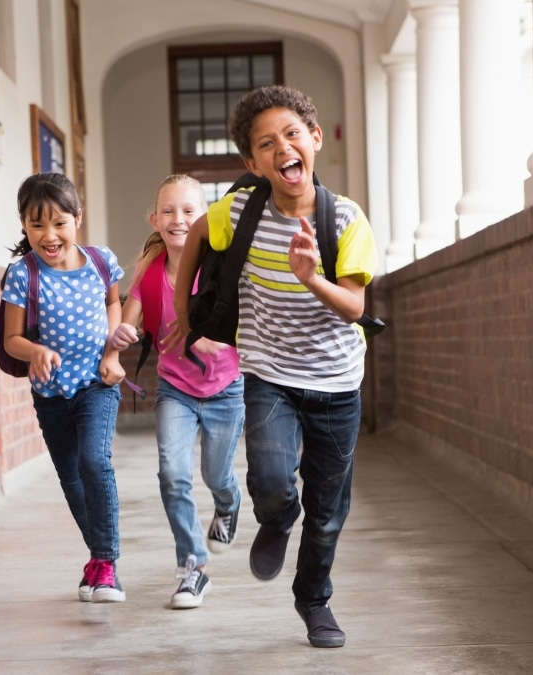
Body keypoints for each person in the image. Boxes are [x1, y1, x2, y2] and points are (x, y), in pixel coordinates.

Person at [166, 86, 378, 648]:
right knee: (271, 480)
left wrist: (311, 277)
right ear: (252, 162)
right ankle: (277, 518)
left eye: (291, 134)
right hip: (271, 374)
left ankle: (314, 601)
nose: (282, 147)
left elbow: (356, 305)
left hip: (336, 382)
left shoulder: (347, 219)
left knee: (328, 511)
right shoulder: (238, 210)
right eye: (266, 143)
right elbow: (191, 244)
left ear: (313, 139)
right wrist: (186, 312)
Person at [108, 175, 245, 610]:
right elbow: (128, 322)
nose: (178, 219)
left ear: (204, 217)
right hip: (176, 390)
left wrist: (211, 339)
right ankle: (192, 566)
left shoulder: (219, 267)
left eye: (188, 211)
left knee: (215, 475)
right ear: (154, 218)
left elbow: (247, 325)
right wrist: (122, 335)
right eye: (167, 211)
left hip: (225, 388)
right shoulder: (149, 270)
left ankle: (228, 503)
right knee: (173, 473)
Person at [0, 172, 129, 603]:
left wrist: (112, 352)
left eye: (59, 223)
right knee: (72, 479)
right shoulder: (22, 274)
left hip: (96, 383)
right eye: (37, 225)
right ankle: (97, 556)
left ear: (78, 218)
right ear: (23, 225)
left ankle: (107, 564)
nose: (49, 235)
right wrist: (33, 351)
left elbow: (115, 302)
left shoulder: (101, 260)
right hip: (51, 393)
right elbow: (11, 340)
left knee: (94, 461)